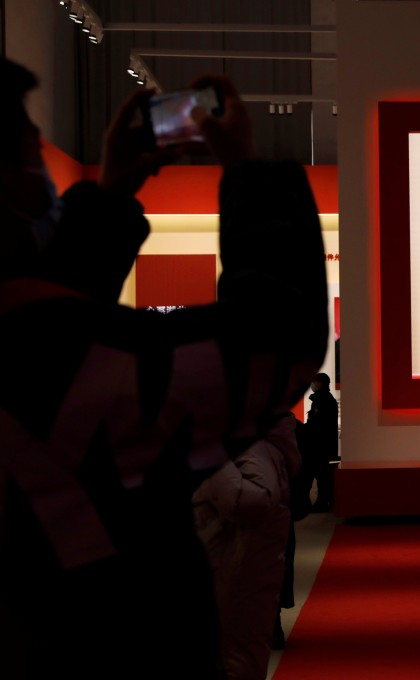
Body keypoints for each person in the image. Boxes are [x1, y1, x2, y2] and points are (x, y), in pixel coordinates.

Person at [0, 58, 328, 680]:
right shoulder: (54, 360)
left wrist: (105, 201)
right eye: (29, 156)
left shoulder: (36, 344)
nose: (39, 176)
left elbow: (50, 319)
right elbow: (277, 341)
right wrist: (246, 171)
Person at [192, 412, 300, 680]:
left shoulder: (252, 446)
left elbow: (249, 500)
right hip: (238, 565)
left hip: (237, 568)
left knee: (237, 655)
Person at [303, 371, 339, 512]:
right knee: (322, 474)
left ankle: (322, 502)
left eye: (314, 382)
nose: (312, 384)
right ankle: (324, 501)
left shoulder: (322, 400)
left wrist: (305, 429)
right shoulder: (326, 399)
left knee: (320, 474)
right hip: (322, 444)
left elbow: (317, 424)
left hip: (319, 444)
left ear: (320, 383)